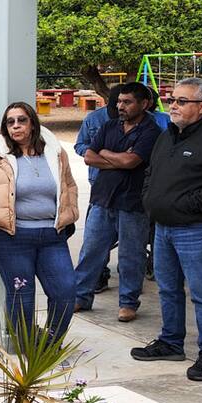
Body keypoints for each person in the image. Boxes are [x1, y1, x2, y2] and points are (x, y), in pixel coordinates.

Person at [135, 77, 202, 382]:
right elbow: (151, 173)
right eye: (172, 100)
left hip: (195, 230)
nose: (174, 106)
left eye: (182, 101)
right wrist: (150, 198)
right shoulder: (166, 136)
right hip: (163, 229)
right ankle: (170, 342)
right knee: (167, 289)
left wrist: (187, 204)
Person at [0, 102, 79, 345]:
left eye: (22, 120)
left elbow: (69, 185)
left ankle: (48, 344)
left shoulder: (55, 153)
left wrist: (71, 211)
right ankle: (28, 348)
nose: (16, 125)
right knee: (22, 295)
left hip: (52, 236)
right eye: (10, 121)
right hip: (10, 239)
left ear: (33, 123)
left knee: (65, 292)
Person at [73, 82, 161, 322]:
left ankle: (128, 303)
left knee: (131, 255)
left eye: (127, 102)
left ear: (144, 104)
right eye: (119, 102)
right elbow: (89, 156)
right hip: (102, 198)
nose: (120, 106)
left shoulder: (151, 132)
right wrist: (117, 158)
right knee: (91, 250)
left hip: (132, 202)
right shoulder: (109, 126)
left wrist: (106, 154)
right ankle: (81, 296)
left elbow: (131, 162)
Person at [74, 85, 122, 293]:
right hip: (99, 188)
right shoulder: (94, 119)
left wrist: (100, 155)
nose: (120, 109)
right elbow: (81, 147)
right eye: (116, 105)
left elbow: (135, 159)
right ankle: (96, 278)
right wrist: (113, 159)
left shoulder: (146, 123)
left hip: (129, 191)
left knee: (129, 245)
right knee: (94, 241)